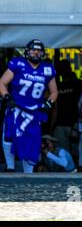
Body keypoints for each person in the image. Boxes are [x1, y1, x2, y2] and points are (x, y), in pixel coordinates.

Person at [0, 39, 58, 173]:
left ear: (42, 53)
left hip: (34, 112)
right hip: (16, 108)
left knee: (32, 142)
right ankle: (10, 167)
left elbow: (54, 92)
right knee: (9, 135)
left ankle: (29, 173)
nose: (36, 52)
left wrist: (49, 103)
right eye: (33, 49)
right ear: (27, 51)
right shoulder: (18, 63)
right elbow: (2, 83)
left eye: (38, 50)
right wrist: (6, 96)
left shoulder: (48, 69)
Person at [52, 59, 82, 158]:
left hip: (76, 125)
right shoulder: (56, 86)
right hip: (61, 125)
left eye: (66, 68)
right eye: (62, 68)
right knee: (64, 154)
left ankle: (75, 172)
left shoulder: (78, 85)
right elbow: (54, 107)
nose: (64, 70)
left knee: (77, 154)